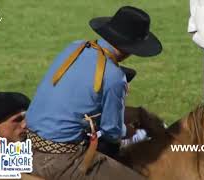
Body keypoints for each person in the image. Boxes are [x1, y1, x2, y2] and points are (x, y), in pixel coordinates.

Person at [26, 6, 162, 180]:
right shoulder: (114, 77)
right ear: (131, 49)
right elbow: (111, 132)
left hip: (28, 145)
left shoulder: (75, 47)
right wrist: (128, 131)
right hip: (61, 159)